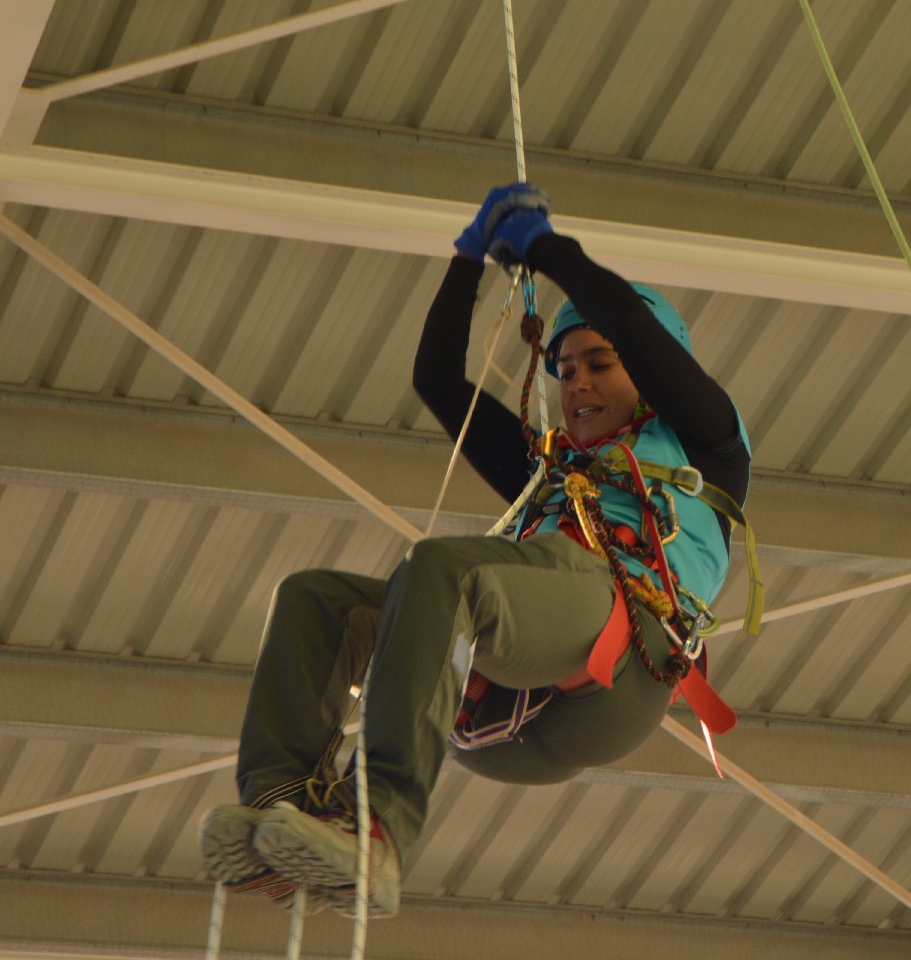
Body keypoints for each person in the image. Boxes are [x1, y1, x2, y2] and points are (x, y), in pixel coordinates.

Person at [198, 183, 751, 918]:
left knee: (442, 571)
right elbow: (436, 379)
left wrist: (548, 250)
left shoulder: (709, 445)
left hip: (623, 663)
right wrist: (466, 263)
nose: (577, 383)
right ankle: (280, 808)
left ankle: (377, 828)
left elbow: (628, 321)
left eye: (599, 364)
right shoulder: (551, 475)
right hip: (503, 713)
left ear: (650, 370)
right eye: (564, 370)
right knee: (315, 601)